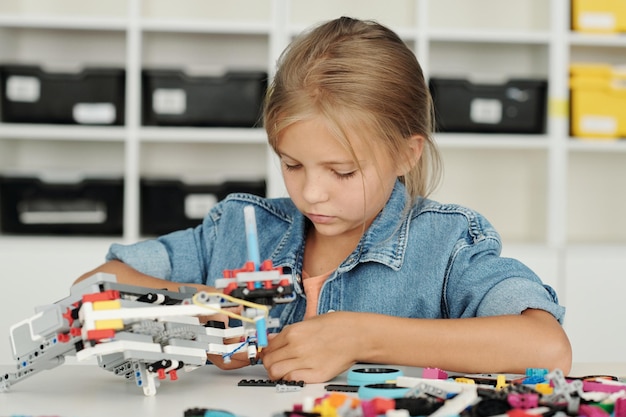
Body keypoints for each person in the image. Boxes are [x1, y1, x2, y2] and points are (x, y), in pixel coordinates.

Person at [75, 16, 572, 383]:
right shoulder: (237, 227)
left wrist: (360, 336)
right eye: (292, 164)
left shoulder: (445, 243)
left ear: (406, 153)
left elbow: (546, 347)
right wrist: (196, 320)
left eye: (342, 171)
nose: (311, 192)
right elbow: (94, 288)